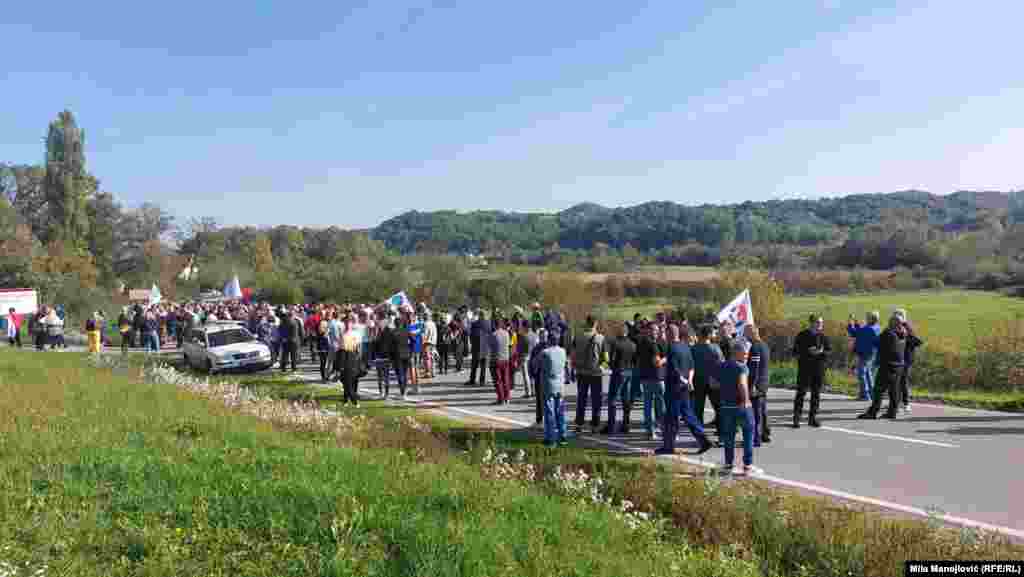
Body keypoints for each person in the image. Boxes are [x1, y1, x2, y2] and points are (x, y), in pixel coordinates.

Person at [657, 324, 712, 455]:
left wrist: (684, 380)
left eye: (665, 332)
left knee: (671, 417)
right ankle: (703, 439)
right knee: (688, 415)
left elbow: (675, 370)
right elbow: (692, 367)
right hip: (685, 388)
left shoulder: (672, 348)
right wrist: (690, 381)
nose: (664, 335)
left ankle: (668, 446)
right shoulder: (685, 347)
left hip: (674, 387)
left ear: (670, 334)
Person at [717, 339, 762, 476]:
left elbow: (713, 383)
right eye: (744, 353)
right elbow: (742, 384)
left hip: (726, 406)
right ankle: (747, 466)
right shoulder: (742, 367)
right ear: (736, 352)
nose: (746, 356)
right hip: (741, 405)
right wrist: (746, 400)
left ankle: (728, 465)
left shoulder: (722, 366)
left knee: (729, 436)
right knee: (749, 433)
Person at [858, 314, 907, 420]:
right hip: (899, 366)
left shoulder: (888, 333)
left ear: (892, 323)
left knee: (878, 390)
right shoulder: (903, 334)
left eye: (890, 321)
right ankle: (892, 412)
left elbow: (876, 342)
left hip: (887, 365)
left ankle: (873, 412)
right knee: (894, 390)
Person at [792, 315, 831, 428]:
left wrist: (822, 352)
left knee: (816, 394)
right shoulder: (802, 335)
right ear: (812, 323)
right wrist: (807, 351)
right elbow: (795, 352)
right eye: (818, 322)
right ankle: (796, 418)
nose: (821, 325)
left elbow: (829, 351)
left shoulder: (823, 336)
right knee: (801, 393)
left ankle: (813, 417)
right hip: (805, 369)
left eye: (821, 322)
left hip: (818, 369)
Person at [572, 315, 608, 434]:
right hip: (595, 373)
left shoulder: (578, 336)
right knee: (596, 400)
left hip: (581, 372)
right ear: (596, 323)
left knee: (581, 399)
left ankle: (578, 424)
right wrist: (602, 367)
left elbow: (572, 354)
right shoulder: (600, 338)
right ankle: (594, 425)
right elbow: (606, 358)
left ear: (586, 323)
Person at [635, 321, 667, 441]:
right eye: (654, 330)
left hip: (645, 377)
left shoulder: (641, 342)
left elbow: (637, 358)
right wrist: (666, 358)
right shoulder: (652, 344)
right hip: (656, 377)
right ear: (648, 330)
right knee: (660, 405)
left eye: (657, 330)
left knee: (648, 405)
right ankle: (662, 429)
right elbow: (657, 362)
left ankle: (650, 430)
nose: (656, 332)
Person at [603, 321, 636, 435]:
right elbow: (635, 361)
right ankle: (626, 425)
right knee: (625, 400)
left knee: (613, 399)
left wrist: (612, 366)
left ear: (621, 331)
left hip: (619, 372)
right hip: (629, 372)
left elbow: (611, 359)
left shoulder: (616, 343)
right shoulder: (632, 344)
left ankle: (611, 426)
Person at [692, 325, 724, 437]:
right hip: (713, 382)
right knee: (718, 408)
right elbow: (721, 365)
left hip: (698, 381)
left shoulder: (694, 349)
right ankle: (721, 434)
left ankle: (700, 435)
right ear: (709, 335)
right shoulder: (715, 348)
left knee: (698, 409)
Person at [540, 332, 569, 448]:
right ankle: (562, 435)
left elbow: (538, 365)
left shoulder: (545, 352)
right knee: (560, 411)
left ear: (549, 340)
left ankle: (550, 438)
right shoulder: (563, 351)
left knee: (549, 412)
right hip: (560, 384)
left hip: (549, 384)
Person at [745, 324, 771, 446]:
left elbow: (754, 369)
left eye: (746, 333)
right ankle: (765, 433)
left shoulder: (755, 347)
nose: (745, 336)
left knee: (756, 412)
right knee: (763, 410)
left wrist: (751, 386)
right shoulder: (765, 345)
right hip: (764, 382)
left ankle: (756, 438)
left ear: (752, 333)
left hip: (757, 384)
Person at [848, 311, 881, 401]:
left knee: (861, 374)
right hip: (872, 354)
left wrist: (851, 322)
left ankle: (864, 395)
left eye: (867, 317)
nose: (866, 318)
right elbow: (861, 331)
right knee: (868, 374)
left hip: (864, 354)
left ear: (871, 319)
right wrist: (856, 322)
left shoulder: (868, 329)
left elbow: (854, 332)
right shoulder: (876, 328)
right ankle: (872, 394)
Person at [895, 310, 923, 414]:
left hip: (906, 358)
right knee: (897, 381)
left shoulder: (907, 327)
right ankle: (897, 402)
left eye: (898, 316)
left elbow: (916, 341)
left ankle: (906, 403)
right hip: (898, 358)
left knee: (902, 381)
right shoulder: (894, 328)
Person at [336, 314, 362, 407]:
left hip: (353, 357)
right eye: (346, 323)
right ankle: (348, 400)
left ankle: (350, 399)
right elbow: (340, 348)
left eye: (349, 323)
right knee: (345, 380)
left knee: (351, 380)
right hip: (344, 357)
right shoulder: (342, 334)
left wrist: (359, 359)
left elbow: (358, 348)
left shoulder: (356, 334)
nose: (347, 324)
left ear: (352, 324)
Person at [391, 316, 413, 400]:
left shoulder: (393, 332)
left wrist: (391, 356)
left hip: (397, 355)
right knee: (404, 373)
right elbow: (413, 341)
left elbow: (391, 346)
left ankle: (402, 392)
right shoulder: (406, 331)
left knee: (400, 375)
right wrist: (410, 351)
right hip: (406, 354)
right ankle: (404, 392)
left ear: (395, 324)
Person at [467, 310, 491, 386]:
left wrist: (471, 344)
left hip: (476, 346)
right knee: (483, 364)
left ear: (479, 315)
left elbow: (471, 335)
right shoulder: (488, 324)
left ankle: (472, 380)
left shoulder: (474, 324)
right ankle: (482, 381)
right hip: (484, 347)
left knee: (474, 364)